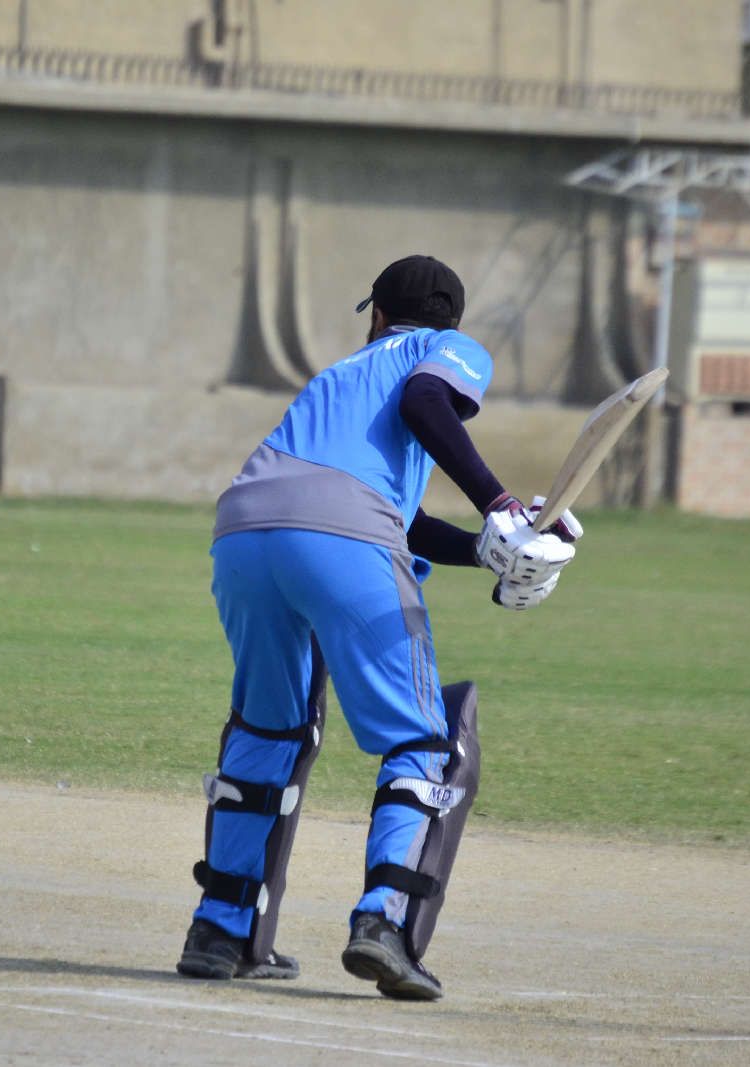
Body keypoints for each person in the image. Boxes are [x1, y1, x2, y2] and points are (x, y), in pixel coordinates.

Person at [176, 254, 578, 1000]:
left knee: (268, 729)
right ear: (449, 326)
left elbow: (400, 517)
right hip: (343, 534)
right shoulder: (445, 353)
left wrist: (488, 551)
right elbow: (426, 402)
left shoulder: (340, 378)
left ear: (379, 315)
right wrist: (500, 505)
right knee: (425, 741)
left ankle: (219, 930)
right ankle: (383, 924)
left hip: (244, 531)